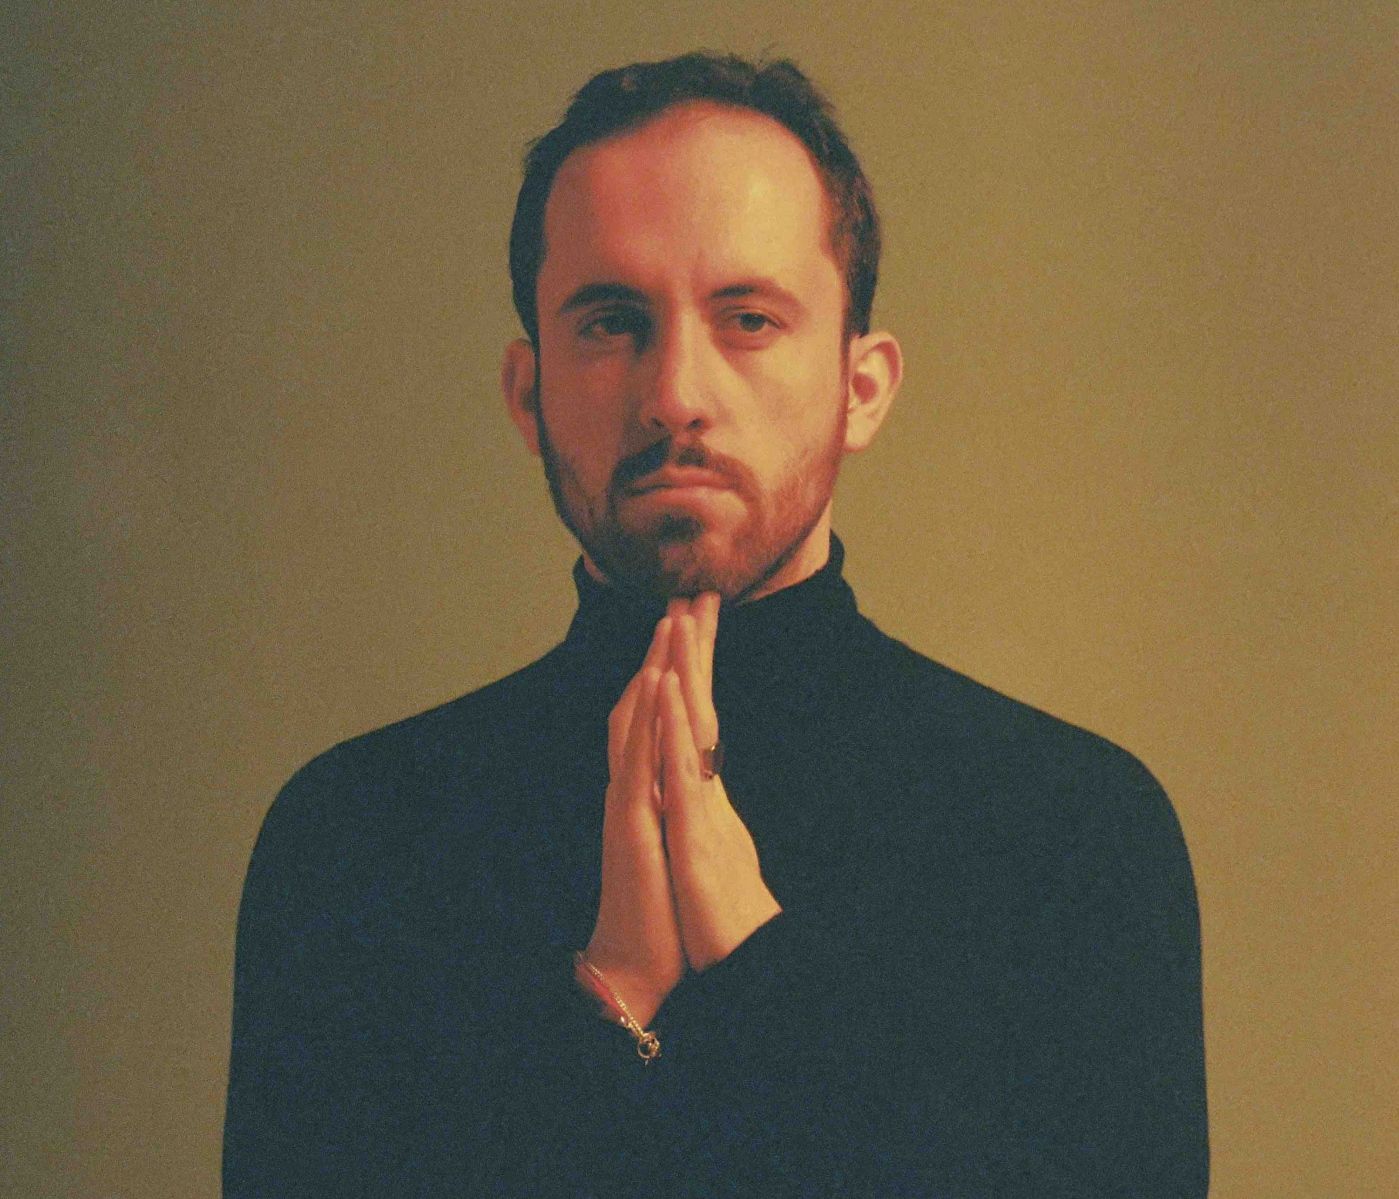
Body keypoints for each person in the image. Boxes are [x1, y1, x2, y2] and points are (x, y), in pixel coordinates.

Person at [223, 52, 1208, 1197]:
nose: (675, 394)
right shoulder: (353, 837)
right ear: (527, 393)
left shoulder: (1071, 831)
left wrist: (751, 964)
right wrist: (614, 990)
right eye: (611, 322)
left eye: (747, 318)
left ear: (862, 386)